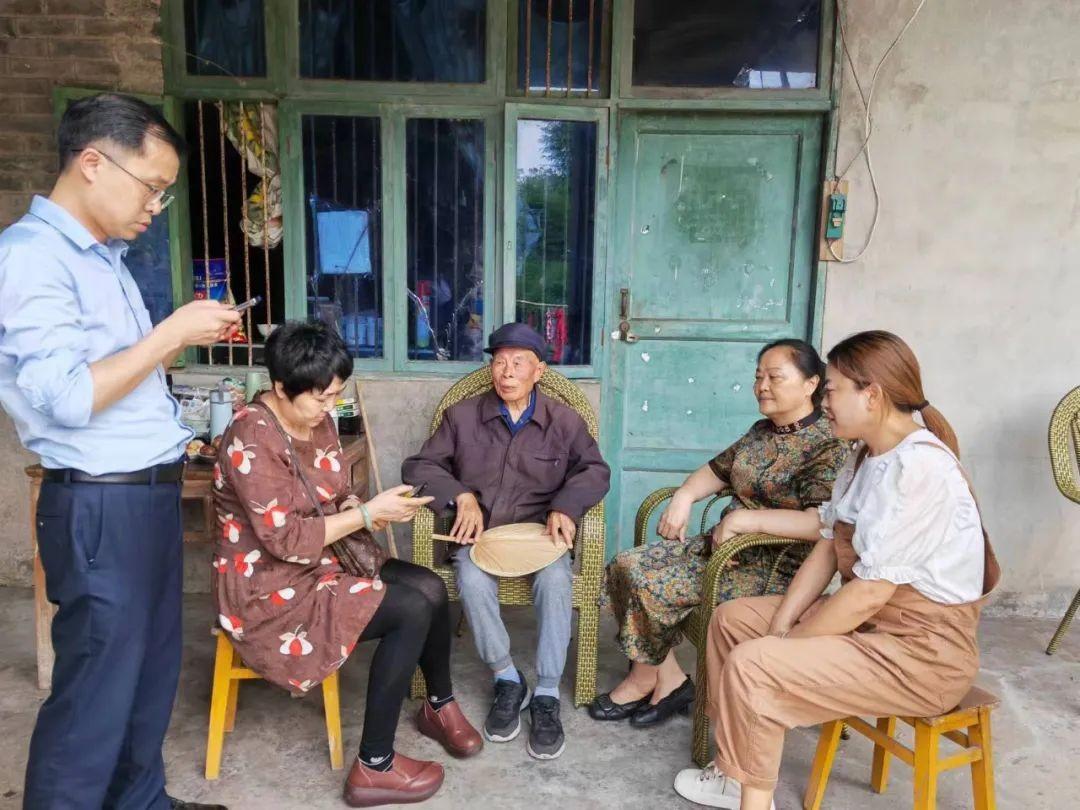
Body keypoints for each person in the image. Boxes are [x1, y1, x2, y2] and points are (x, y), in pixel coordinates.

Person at [0, 93, 241, 810]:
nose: (156, 206)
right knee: (95, 693)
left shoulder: (102, 259)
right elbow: (68, 396)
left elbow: (120, 380)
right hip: (100, 503)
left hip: (143, 494)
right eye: (153, 187)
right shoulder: (30, 258)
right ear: (93, 162)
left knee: (147, 671)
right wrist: (172, 332)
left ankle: (141, 802)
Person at [672, 330, 1000, 810]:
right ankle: (731, 770)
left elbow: (868, 594)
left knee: (756, 663)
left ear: (872, 394)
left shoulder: (919, 471)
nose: (825, 401)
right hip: (871, 627)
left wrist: (786, 647)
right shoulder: (864, 456)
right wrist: (782, 625)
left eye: (832, 389)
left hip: (922, 654)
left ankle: (754, 802)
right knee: (733, 621)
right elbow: (827, 546)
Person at [213, 321, 482, 808]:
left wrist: (371, 509)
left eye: (336, 395)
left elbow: (334, 499)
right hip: (269, 588)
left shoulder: (322, 423)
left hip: (325, 561)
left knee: (432, 588)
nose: (329, 407)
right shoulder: (249, 437)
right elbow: (286, 539)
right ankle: (373, 766)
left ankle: (438, 705)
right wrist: (364, 515)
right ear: (279, 388)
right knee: (409, 609)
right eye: (320, 398)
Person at [592, 339, 848, 728]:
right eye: (758, 376)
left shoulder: (827, 445)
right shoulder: (763, 431)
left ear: (811, 384)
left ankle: (642, 678)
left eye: (775, 377)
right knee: (625, 564)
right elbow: (716, 470)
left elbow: (821, 523)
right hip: (723, 549)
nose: (762, 385)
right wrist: (684, 496)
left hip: (773, 565)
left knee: (654, 586)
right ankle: (671, 678)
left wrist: (748, 521)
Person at [401, 322, 610, 761]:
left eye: (518, 364)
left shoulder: (564, 421)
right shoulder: (462, 416)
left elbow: (595, 471)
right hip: (481, 537)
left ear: (539, 371)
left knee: (556, 581)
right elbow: (419, 467)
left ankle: (548, 693)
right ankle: (507, 679)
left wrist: (565, 507)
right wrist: (460, 496)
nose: (507, 372)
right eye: (499, 362)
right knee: (472, 581)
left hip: (538, 537)